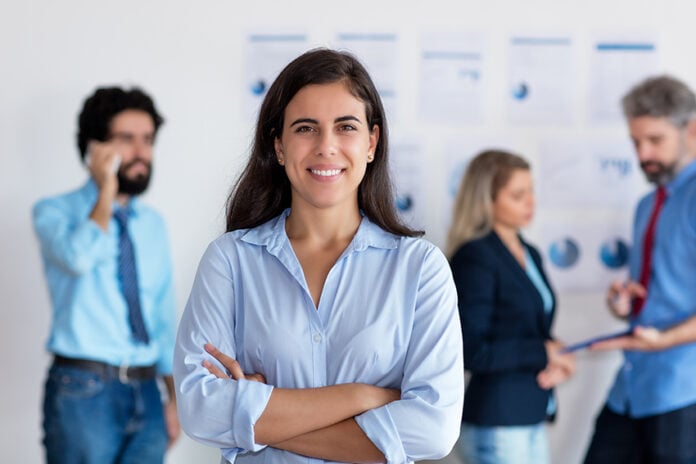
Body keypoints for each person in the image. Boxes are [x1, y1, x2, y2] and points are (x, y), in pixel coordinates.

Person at [173, 48, 464, 464]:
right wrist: (362, 397)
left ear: (371, 142)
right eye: (306, 128)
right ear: (278, 145)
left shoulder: (420, 268)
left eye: (345, 127)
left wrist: (256, 418)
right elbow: (200, 411)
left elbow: (433, 431)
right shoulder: (230, 260)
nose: (326, 146)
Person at [32, 86, 180, 463]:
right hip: (84, 390)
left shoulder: (153, 225)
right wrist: (106, 194)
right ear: (95, 148)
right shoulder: (54, 212)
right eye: (126, 139)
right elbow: (78, 258)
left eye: (147, 140)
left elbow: (160, 316)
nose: (141, 152)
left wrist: (174, 397)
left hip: (148, 391)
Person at [583, 75, 696, 463]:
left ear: (691, 131)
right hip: (632, 384)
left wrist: (665, 340)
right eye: (635, 142)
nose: (643, 154)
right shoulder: (647, 205)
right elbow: (650, 290)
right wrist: (622, 303)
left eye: (655, 140)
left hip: (683, 392)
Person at [446, 150, 576, 464]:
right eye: (518, 195)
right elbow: (471, 351)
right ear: (486, 201)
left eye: (531, 191)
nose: (530, 202)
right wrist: (544, 351)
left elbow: (532, 331)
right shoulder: (475, 257)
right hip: (498, 419)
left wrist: (555, 361)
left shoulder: (530, 252)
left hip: (531, 412)